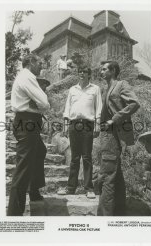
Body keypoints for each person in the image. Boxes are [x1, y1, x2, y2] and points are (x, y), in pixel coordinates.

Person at [7, 54, 50, 216]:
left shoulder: (25, 76)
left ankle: (34, 189)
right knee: (23, 169)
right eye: (40, 63)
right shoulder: (28, 76)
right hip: (27, 123)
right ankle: (14, 213)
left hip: (28, 121)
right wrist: (39, 103)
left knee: (40, 151)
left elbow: (40, 103)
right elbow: (45, 102)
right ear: (31, 62)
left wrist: (37, 104)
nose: (41, 66)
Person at [97, 61, 140, 216]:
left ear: (113, 70)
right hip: (107, 133)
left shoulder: (122, 84)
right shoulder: (106, 88)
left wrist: (114, 119)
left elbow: (134, 103)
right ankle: (120, 210)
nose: (100, 72)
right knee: (115, 171)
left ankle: (104, 216)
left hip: (114, 133)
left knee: (108, 173)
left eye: (104, 69)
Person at [58, 65, 102, 199]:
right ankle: (71, 187)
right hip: (73, 124)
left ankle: (89, 188)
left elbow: (98, 108)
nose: (82, 73)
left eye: (84, 71)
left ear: (89, 74)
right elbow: (67, 108)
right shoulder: (72, 89)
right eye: (80, 71)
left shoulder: (95, 89)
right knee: (74, 158)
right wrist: (65, 125)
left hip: (88, 125)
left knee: (87, 157)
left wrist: (97, 125)